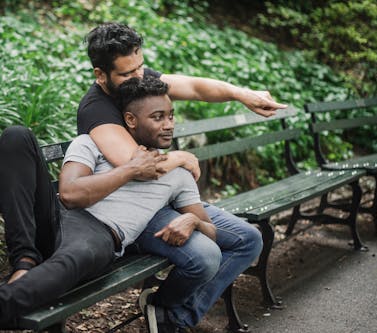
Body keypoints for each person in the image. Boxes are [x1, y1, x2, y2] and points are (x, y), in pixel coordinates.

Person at [76, 22, 282, 331]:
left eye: (140, 67)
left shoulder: (140, 79)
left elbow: (196, 87)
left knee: (248, 239)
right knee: (204, 257)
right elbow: (137, 166)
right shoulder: (96, 110)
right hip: (130, 213)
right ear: (100, 74)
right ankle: (170, 318)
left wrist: (242, 94)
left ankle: (170, 315)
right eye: (127, 73)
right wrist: (182, 157)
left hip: (166, 197)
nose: (139, 77)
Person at [0, 78, 212, 328]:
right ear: (131, 120)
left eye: (171, 117)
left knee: (71, 261)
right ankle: (24, 262)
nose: (168, 126)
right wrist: (130, 169)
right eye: (158, 117)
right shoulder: (92, 142)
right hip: (57, 215)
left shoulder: (179, 174)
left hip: (99, 234)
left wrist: (194, 220)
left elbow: (212, 231)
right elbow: (69, 195)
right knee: (17, 136)